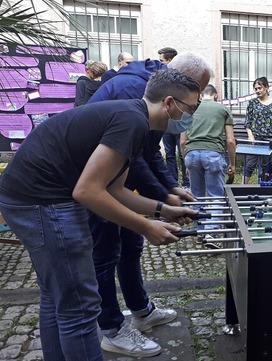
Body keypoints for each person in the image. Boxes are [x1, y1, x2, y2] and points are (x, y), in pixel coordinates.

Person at [0, 69, 200, 361]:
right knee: (80, 306)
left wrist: (163, 209)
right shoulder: (132, 121)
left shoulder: (134, 118)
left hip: (24, 195)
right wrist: (146, 227)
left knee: (56, 296)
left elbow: (115, 189)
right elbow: (88, 192)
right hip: (43, 200)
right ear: (170, 103)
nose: (190, 116)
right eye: (191, 108)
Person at [87, 52, 212, 357]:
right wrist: (160, 204)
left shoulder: (156, 91)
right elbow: (134, 157)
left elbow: (149, 151)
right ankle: (112, 329)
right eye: (193, 98)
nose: (193, 107)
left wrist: (169, 189)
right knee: (105, 253)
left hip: (118, 177)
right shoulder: (135, 94)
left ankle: (141, 310)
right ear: (176, 91)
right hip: (96, 179)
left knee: (130, 245)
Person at [181, 85, 236, 246]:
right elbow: (231, 141)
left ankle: (200, 230)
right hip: (213, 155)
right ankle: (210, 232)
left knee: (196, 196)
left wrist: (186, 163)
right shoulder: (223, 110)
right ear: (216, 96)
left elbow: (183, 141)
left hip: (191, 155)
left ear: (200, 95)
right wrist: (232, 163)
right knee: (215, 196)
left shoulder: (188, 109)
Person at [157, 47, 189, 188]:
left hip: (180, 120)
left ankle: (187, 182)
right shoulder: (161, 78)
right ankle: (173, 183)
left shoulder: (181, 78)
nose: (160, 64)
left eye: (161, 60)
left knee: (182, 152)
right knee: (169, 153)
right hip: (166, 121)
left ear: (170, 60)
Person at [243, 77, 272, 183]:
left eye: (259, 88)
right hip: (255, 139)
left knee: (266, 166)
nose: (257, 91)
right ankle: (243, 187)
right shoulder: (252, 103)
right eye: (255, 89)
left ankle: (264, 187)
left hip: (269, 139)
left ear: (266, 87)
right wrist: (250, 135)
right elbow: (248, 121)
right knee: (250, 164)